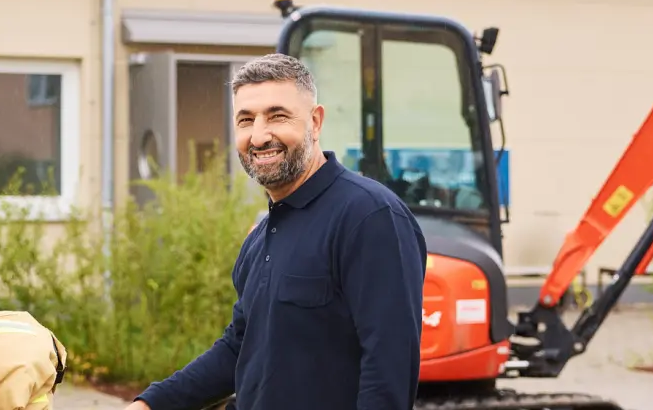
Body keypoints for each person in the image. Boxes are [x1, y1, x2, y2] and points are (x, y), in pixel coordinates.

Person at [127, 53, 428, 410]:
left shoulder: (369, 216)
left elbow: (387, 373)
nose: (258, 136)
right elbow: (239, 348)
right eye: (246, 120)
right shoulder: (261, 237)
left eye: (277, 116)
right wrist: (151, 403)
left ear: (315, 122)